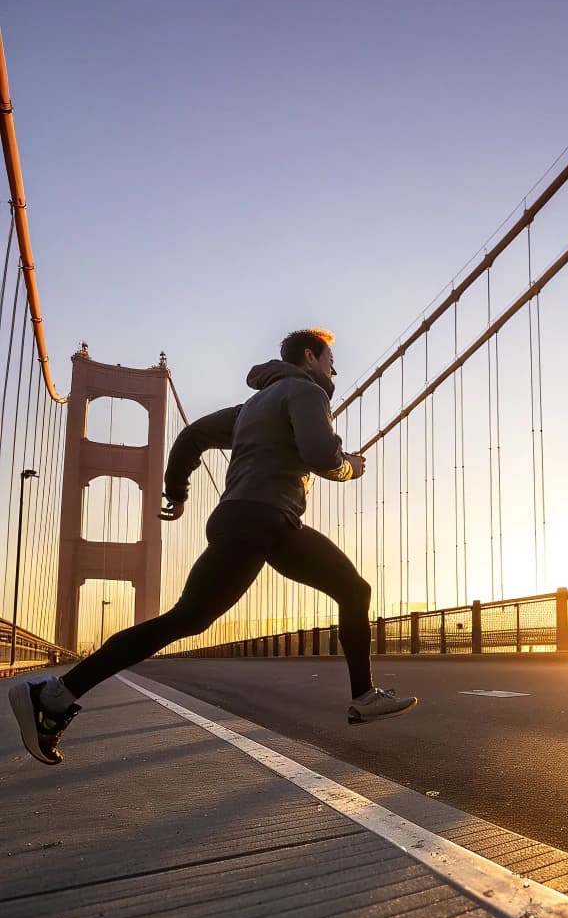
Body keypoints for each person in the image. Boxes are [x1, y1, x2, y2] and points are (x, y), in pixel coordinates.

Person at [9, 328, 417, 766]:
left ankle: (363, 696)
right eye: (329, 358)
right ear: (309, 356)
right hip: (260, 519)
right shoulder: (306, 391)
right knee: (184, 620)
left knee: (353, 590)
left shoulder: (250, 408)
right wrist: (349, 468)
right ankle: (52, 695)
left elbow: (190, 438)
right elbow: (321, 455)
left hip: (266, 522)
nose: (334, 368)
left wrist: (177, 491)